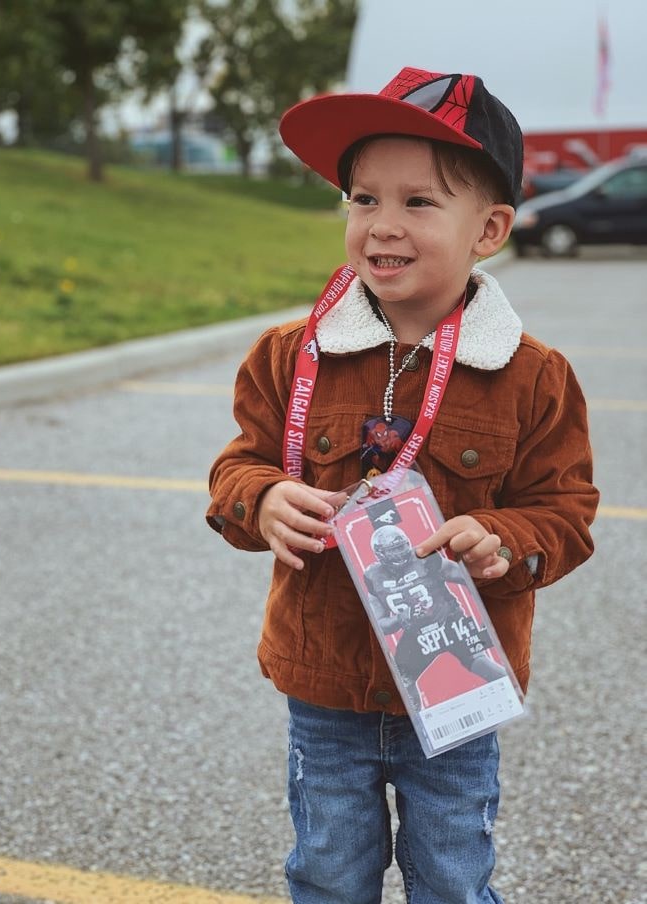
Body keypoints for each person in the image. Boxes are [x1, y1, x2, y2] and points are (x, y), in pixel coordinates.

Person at [207, 66, 598, 904]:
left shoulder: (534, 378)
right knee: (327, 872)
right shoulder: (287, 356)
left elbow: (566, 513)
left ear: (489, 227)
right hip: (325, 683)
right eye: (362, 198)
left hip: (455, 691)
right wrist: (264, 498)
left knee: (454, 879)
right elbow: (236, 468)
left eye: (419, 202)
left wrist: (505, 541)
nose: (382, 224)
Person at [364, 526, 506, 711]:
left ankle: (511, 698)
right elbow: (381, 624)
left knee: (482, 664)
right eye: (393, 549)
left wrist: (486, 614)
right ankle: (421, 722)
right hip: (416, 634)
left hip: (449, 622)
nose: (401, 553)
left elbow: (470, 579)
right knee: (402, 680)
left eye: (402, 546)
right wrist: (399, 619)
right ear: (380, 553)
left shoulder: (425, 559)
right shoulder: (372, 577)